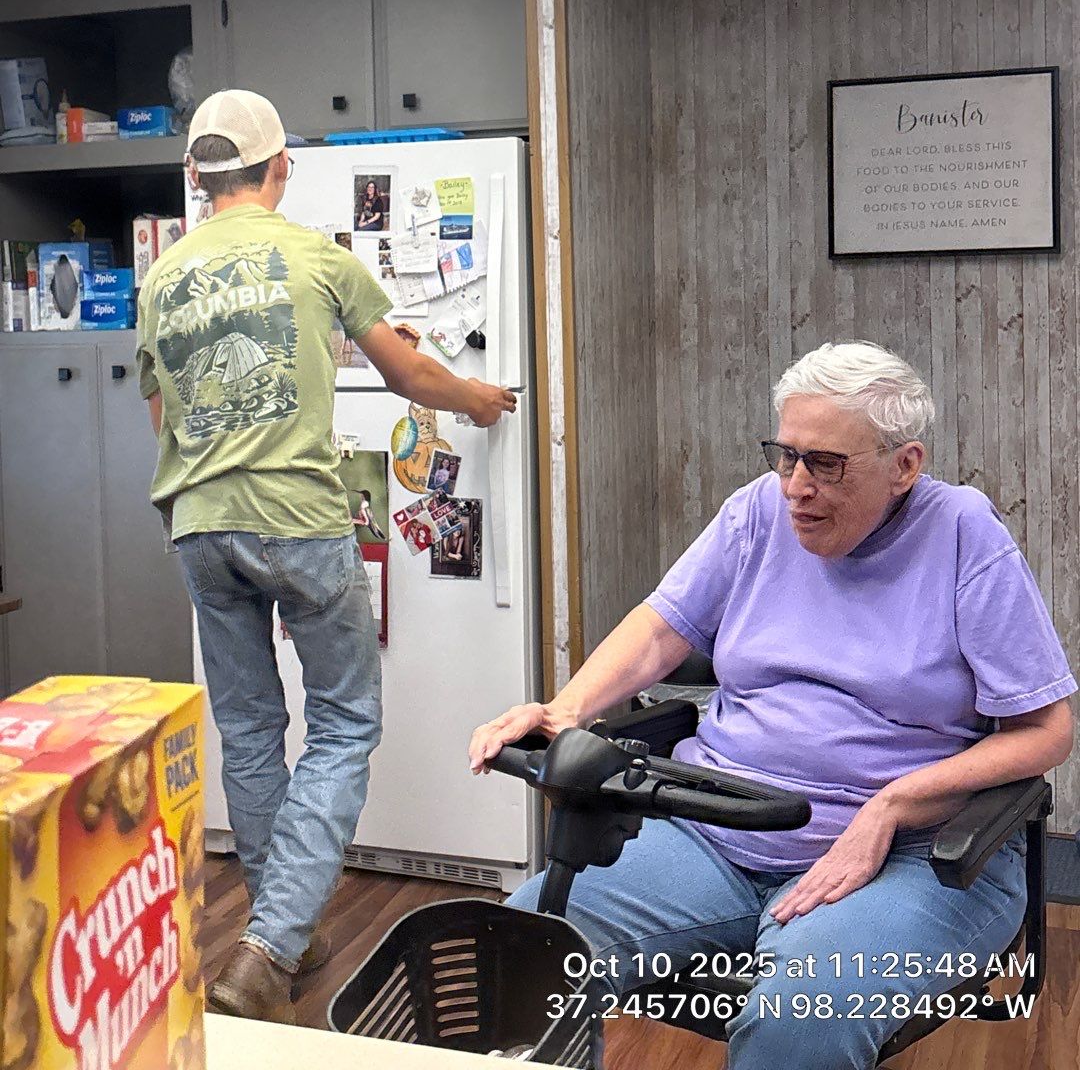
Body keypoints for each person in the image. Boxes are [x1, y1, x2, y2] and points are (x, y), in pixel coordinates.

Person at [469, 343, 1075, 1070]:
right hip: (717, 832)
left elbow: (1046, 731)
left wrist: (892, 806)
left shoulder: (963, 534)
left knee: (798, 1021)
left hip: (913, 857)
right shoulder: (757, 510)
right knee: (516, 961)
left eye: (826, 464)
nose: (796, 486)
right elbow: (662, 629)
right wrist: (563, 710)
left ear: (904, 466)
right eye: (785, 456)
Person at [137, 89, 516, 1024]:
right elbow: (405, 371)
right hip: (298, 517)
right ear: (280, 170)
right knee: (344, 724)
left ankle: (283, 928)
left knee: (252, 726)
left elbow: (161, 415)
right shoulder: (315, 254)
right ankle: (271, 944)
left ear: (195, 174)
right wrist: (475, 400)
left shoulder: (161, 278)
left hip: (198, 521)